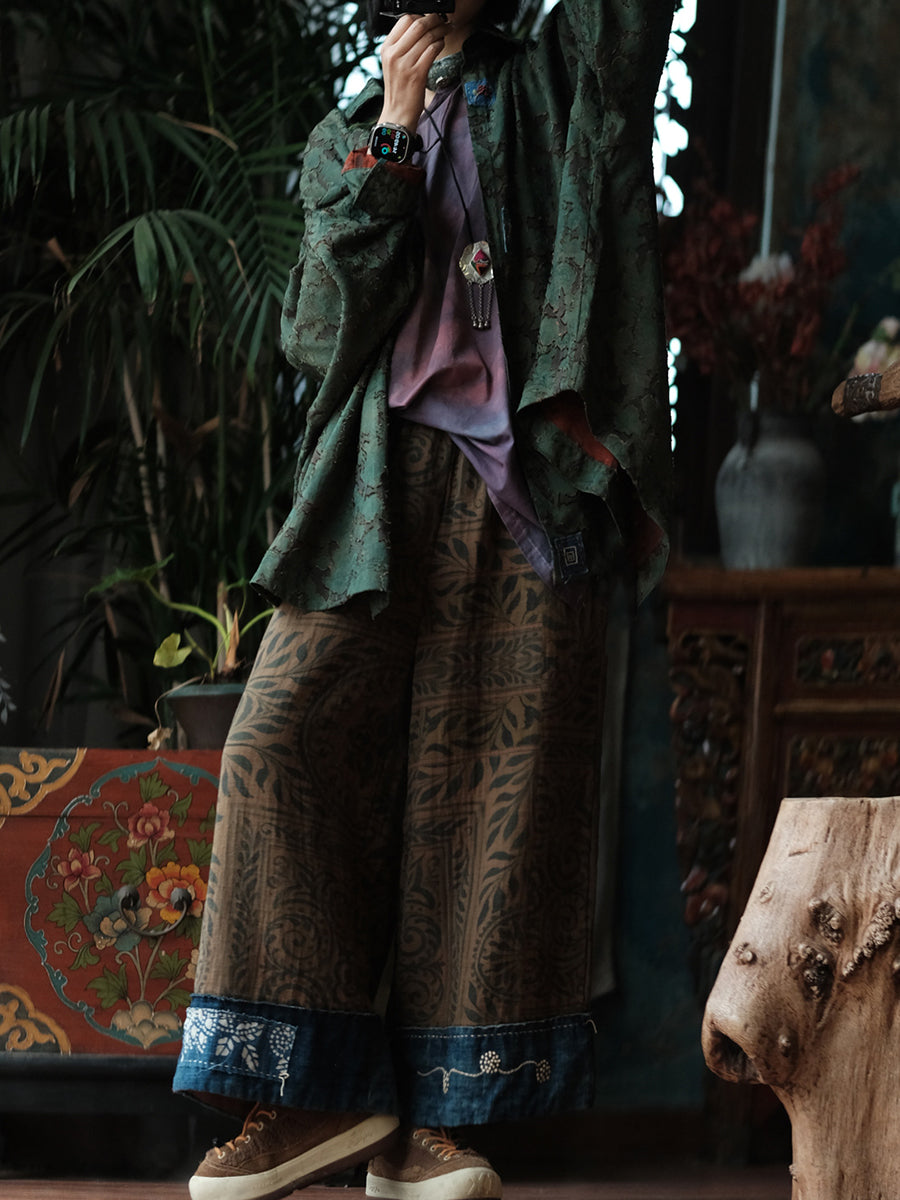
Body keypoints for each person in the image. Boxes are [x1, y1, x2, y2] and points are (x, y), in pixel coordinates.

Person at [173, 0, 675, 1197]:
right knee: (278, 744)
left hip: (531, 491)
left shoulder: (558, 74)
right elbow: (319, 333)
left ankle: (436, 1126)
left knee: (486, 801)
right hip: (372, 488)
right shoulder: (342, 135)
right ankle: (312, 1097)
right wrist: (395, 135)